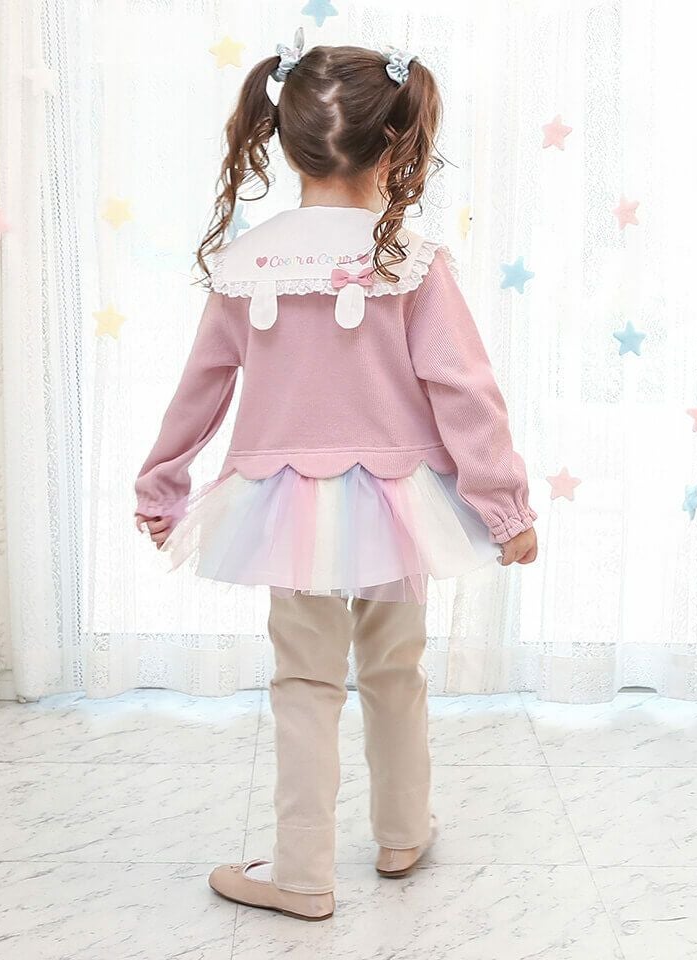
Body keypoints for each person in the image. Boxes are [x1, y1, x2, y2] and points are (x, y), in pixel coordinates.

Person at [133, 29, 538, 922]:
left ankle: (301, 874)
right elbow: (465, 391)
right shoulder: (410, 260)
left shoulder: (248, 263)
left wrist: (161, 486)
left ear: (284, 143)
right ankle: (402, 832)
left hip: (286, 508)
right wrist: (504, 509)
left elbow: (201, 388)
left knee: (305, 683)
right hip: (399, 507)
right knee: (396, 668)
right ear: (393, 144)